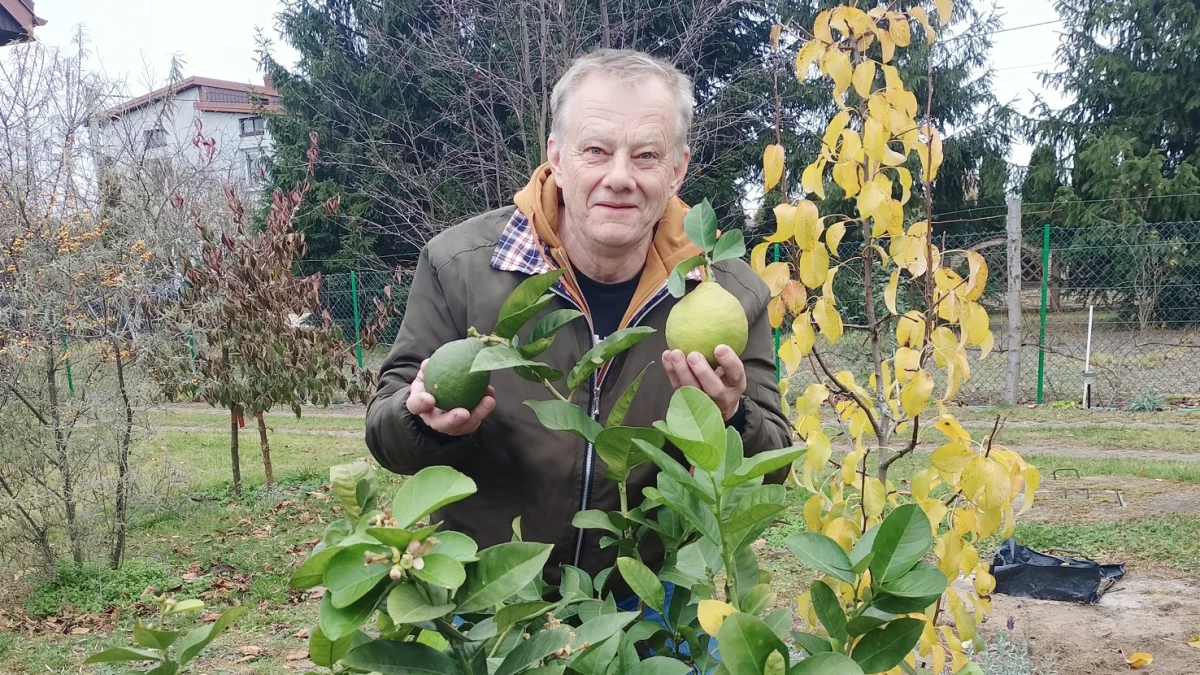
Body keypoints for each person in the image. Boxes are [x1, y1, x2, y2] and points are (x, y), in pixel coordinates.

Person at [365, 49, 791, 592]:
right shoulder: (461, 268)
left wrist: (731, 417)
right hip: (486, 602)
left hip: (653, 610)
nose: (619, 177)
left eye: (645, 156)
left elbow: (772, 470)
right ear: (557, 158)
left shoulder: (731, 294)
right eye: (596, 150)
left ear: (676, 169)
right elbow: (386, 436)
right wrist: (423, 423)